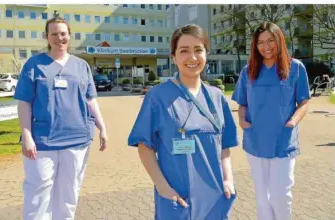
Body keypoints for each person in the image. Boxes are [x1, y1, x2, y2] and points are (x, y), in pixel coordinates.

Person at [128, 24, 239, 220]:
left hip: (214, 194)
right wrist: (163, 188)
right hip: (177, 196)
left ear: (206, 54)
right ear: (174, 57)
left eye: (198, 50)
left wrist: (228, 179)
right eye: (184, 51)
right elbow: (145, 147)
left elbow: (225, 146)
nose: (192, 57)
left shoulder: (216, 96)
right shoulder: (158, 97)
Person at [14, 17, 107, 220]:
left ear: (69, 36)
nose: (59, 38)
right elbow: (24, 103)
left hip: (77, 140)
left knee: (69, 191)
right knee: (38, 192)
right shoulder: (34, 64)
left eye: (63, 33)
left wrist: (103, 127)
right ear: (47, 37)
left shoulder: (82, 66)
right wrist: (26, 136)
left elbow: (91, 100)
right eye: (54, 33)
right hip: (42, 141)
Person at [232, 22, 310, 220]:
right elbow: (242, 103)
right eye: (260, 43)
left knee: (280, 195)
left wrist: (292, 122)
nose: (265, 47)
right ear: (255, 46)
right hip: (256, 140)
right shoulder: (248, 70)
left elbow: (303, 102)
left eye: (270, 41)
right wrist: (242, 121)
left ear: (279, 40)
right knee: (262, 196)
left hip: (283, 140)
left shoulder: (295, 68)